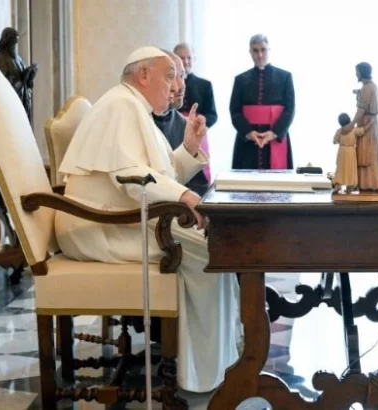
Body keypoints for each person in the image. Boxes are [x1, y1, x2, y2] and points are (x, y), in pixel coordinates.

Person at [55, 46, 241, 394]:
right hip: (98, 227)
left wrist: (188, 148)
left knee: (217, 247)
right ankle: (205, 375)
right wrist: (184, 196)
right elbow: (129, 178)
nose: (175, 86)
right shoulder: (121, 105)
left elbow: (157, 174)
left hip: (119, 219)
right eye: (169, 75)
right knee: (213, 252)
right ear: (143, 76)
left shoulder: (135, 109)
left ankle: (221, 363)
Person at [229, 34, 295, 170]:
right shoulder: (240, 80)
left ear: (269, 50)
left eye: (263, 50)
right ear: (250, 52)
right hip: (248, 141)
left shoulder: (285, 77)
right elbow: (234, 110)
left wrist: (274, 132)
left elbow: (290, 109)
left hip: (275, 137)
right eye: (255, 50)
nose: (259, 55)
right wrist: (249, 132)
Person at [153, 50, 211, 196]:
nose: (180, 86)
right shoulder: (139, 118)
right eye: (172, 77)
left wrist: (190, 150)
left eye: (182, 76)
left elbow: (197, 186)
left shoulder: (182, 123)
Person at [0, 27, 37, 123]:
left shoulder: (18, 58)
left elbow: (26, 83)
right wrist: (21, 80)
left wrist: (29, 77)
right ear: (6, 41)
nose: (15, 45)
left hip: (23, 102)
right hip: (10, 105)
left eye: (16, 42)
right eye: (13, 42)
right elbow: (1, 84)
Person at [352, 62, 378, 191]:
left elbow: (360, 111)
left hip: (367, 123)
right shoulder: (373, 86)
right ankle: (371, 183)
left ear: (361, 72)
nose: (356, 75)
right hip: (371, 123)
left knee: (366, 155)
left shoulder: (366, 89)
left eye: (357, 72)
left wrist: (350, 125)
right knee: (371, 154)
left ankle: (367, 184)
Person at [173, 42, 217, 127]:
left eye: (189, 58)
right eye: (182, 58)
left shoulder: (205, 85)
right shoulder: (167, 84)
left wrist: (202, 120)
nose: (186, 61)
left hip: (197, 130)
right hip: (173, 129)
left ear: (194, 59)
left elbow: (212, 115)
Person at [332, 113, 362, 193]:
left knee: (340, 169)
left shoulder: (339, 131)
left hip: (342, 151)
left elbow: (334, 141)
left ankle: (338, 186)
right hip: (350, 151)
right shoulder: (354, 129)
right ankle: (349, 186)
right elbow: (362, 131)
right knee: (350, 168)